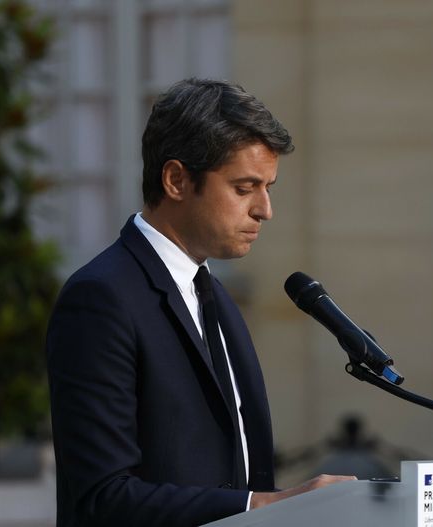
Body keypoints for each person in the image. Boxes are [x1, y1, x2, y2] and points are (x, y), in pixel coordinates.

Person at [45, 78, 353, 527]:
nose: (265, 210)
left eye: (269, 187)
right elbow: (102, 496)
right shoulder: (100, 298)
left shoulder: (216, 297)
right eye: (245, 188)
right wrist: (262, 506)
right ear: (176, 180)